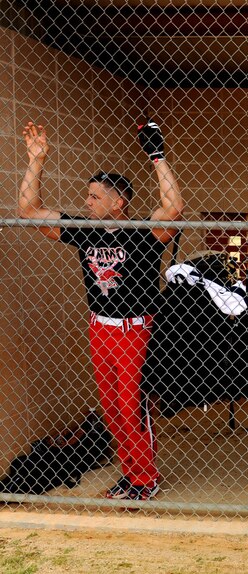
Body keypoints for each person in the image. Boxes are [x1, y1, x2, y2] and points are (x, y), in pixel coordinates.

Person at [17, 120, 185, 501]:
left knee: (131, 406)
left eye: (95, 197)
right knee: (111, 408)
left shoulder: (142, 231)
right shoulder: (85, 230)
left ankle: (146, 478)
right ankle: (130, 473)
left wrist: (157, 156)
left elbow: (174, 207)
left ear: (118, 202)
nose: (87, 203)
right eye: (87, 196)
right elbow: (28, 209)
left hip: (134, 330)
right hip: (99, 328)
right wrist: (36, 160)